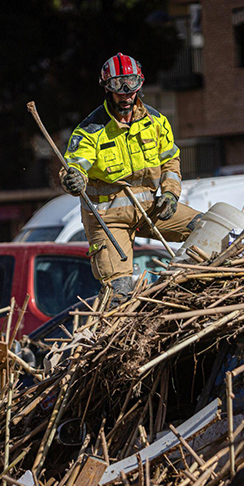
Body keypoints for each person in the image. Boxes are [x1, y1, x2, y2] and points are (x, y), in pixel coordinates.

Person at [62, 53, 201, 303]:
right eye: (118, 87)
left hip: (150, 208)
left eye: (132, 86)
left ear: (140, 85)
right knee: (120, 291)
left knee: (204, 227)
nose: (126, 95)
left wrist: (170, 194)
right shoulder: (90, 131)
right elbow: (74, 167)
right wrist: (74, 180)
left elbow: (170, 161)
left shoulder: (155, 122)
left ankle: (186, 288)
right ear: (106, 88)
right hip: (107, 218)